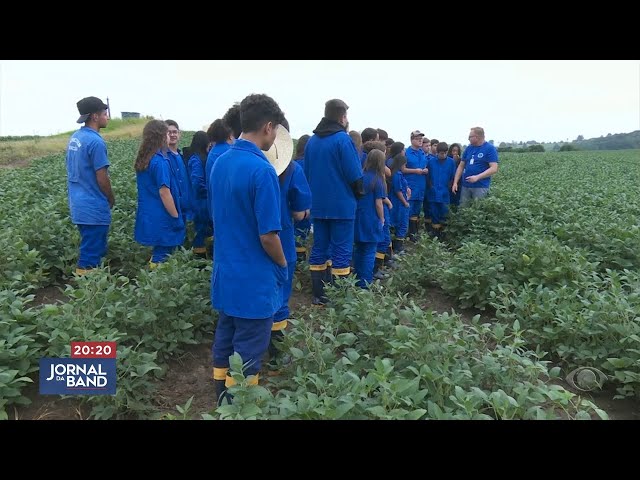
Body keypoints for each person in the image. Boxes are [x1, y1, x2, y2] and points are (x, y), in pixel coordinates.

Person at [209, 93, 287, 404]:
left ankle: (220, 401)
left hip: (226, 274)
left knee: (225, 341)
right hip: (254, 280)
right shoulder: (262, 170)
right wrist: (282, 264)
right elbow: (268, 236)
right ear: (268, 127)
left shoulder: (221, 161)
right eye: (276, 130)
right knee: (249, 350)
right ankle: (238, 408)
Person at [304, 99, 363, 305]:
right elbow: (355, 175)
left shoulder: (312, 141)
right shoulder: (342, 140)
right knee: (341, 251)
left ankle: (319, 295)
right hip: (342, 206)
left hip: (318, 205)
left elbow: (307, 173)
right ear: (342, 117)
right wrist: (358, 195)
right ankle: (339, 298)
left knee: (319, 248)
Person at [268, 126, 311, 372]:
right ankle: (276, 353)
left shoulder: (240, 165)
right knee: (280, 296)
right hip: (281, 240)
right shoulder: (293, 170)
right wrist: (304, 213)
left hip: (248, 243)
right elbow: (299, 211)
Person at [65, 96, 115, 275]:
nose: (107, 117)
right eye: (105, 113)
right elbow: (101, 176)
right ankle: (87, 292)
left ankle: (89, 288)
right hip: (93, 205)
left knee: (91, 246)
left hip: (78, 203)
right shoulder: (96, 142)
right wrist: (110, 197)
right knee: (91, 252)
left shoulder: (76, 138)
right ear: (95, 116)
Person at [133, 120, 186, 265]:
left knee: (160, 250)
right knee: (163, 253)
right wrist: (175, 217)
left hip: (150, 213)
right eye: (167, 133)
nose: (170, 136)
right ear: (162, 137)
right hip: (163, 215)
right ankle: (156, 279)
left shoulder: (146, 158)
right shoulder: (160, 161)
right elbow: (164, 193)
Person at [353, 149, 386, 288]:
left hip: (357, 217)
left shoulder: (359, 175)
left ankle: (357, 278)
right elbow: (378, 203)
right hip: (371, 218)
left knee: (359, 249)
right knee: (369, 251)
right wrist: (382, 218)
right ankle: (365, 283)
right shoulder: (377, 180)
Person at [452, 127, 499, 206]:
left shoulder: (490, 149)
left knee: (477, 209)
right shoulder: (469, 148)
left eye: (470, 137)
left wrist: (477, 177)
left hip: (480, 186)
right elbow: (461, 166)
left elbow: (494, 168)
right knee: (463, 208)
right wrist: (455, 182)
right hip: (465, 186)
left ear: (477, 137)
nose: (468, 139)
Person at [183, 131, 211, 257]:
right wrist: (208, 192)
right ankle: (199, 262)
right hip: (199, 202)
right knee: (200, 232)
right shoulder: (196, 158)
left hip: (201, 201)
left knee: (203, 231)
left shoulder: (198, 157)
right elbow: (197, 182)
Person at [425, 142, 456, 238]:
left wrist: (448, 186)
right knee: (434, 213)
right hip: (433, 192)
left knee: (444, 212)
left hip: (444, 192)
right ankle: (435, 234)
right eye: (441, 153)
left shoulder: (451, 162)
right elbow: (428, 177)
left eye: (444, 153)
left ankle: (444, 234)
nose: (443, 155)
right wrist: (430, 186)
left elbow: (453, 176)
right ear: (437, 152)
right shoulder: (431, 162)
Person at [402, 130, 429, 241]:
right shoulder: (406, 153)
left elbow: (424, 165)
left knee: (416, 211)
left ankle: (413, 234)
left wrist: (425, 170)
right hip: (410, 185)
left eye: (421, 139)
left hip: (421, 186)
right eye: (418, 139)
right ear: (412, 140)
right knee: (408, 209)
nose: (420, 141)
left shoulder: (423, 153)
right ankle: (403, 234)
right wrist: (415, 171)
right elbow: (402, 169)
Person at [165, 120, 192, 228]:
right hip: (171, 211)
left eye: (175, 132)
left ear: (179, 134)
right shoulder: (163, 158)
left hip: (185, 209)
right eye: (169, 132)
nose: (172, 135)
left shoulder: (181, 157)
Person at [292, 134, 312, 262]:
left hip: (294, 204)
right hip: (308, 205)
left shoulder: (293, 164)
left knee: (297, 233)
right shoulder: (311, 164)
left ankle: (299, 266)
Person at [448, 143, 463, 208]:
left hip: (459, 184)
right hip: (449, 184)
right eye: (453, 151)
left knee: (457, 201)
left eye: (456, 151)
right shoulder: (447, 161)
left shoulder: (461, 161)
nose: (455, 153)